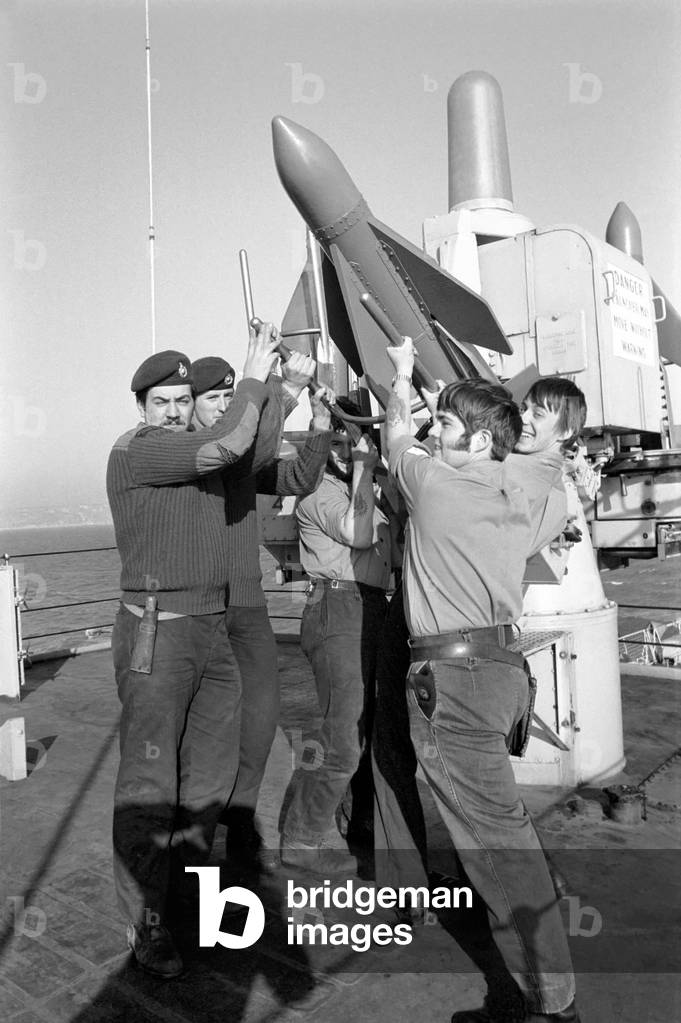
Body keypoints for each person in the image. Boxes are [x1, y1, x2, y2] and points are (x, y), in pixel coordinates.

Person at [383, 340, 579, 1023]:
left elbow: (393, 435)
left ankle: (550, 1002)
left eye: (444, 425)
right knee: (505, 830)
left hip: (453, 683)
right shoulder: (524, 493)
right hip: (500, 674)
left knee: (498, 847)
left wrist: (402, 373)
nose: (434, 431)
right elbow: (545, 481)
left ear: (470, 437)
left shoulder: (433, 483)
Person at [107, 325, 279, 979]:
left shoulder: (199, 452)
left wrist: (279, 386)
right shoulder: (139, 450)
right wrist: (255, 371)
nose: (175, 412)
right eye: (163, 402)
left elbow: (253, 444)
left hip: (211, 631)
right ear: (142, 408)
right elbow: (232, 439)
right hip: (157, 633)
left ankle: (198, 907)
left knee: (207, 785)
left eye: (184, 400)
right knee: (149, 788)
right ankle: (148, 926)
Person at [190, 353, 333, 871]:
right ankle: (194, 852)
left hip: (246, 607)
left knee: (260, 720)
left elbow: (296, 478)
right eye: (214, 399)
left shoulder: (241, 457)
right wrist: (285, 389)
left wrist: (318, 426)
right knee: (205, 734)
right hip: (199, 612)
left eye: (232, 398)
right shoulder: (193, 452)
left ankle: (241, 829)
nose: (226, 407)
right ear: (189, 409)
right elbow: (246, 453)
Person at [280, 400, 391, 873]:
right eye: (339, 441)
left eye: (356, 441)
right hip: (337, 606)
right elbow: (358, 534)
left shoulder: (366, 486)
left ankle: (361, 823)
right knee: (343, 736)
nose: (347, 451)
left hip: (372, 607)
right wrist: (366, 468)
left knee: (372, 731)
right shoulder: (317, 490)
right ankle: (301, 841)